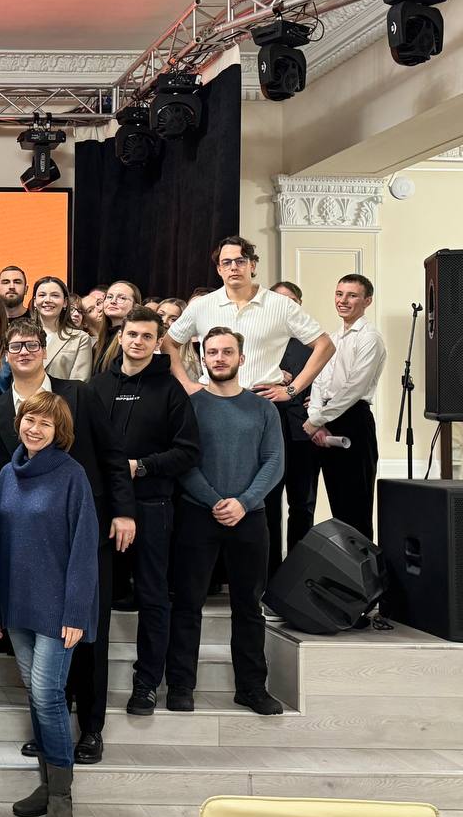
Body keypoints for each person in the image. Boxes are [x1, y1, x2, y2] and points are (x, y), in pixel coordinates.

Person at [0, 319, 135, 763]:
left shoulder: (78, 393)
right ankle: (53, 727)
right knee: (43, 666)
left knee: (86, 636)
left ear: (45, 350)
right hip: (29, 541)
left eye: (32, 345)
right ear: (5, 354)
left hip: (86, 530)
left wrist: (123, 510)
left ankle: (90, 728)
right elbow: (0, 472)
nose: (24, 352)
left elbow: (111, 453)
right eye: (16, 346)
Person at [0, 392, 98, 817]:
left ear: (59, 432)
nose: (35, 429)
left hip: (58, 608)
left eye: (45, 424)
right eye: (29, 420)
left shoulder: (72, 475)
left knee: (49, 694)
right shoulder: (6, 474)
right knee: (36, 693)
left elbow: (85, 548)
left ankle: (62, 796)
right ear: (19, 423)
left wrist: (76, 611)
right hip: (17, 603)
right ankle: (46, 784)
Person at [88, 308, 200, 717]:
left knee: (153, 597)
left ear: (158, 343)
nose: (137, 342)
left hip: (152, 506)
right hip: (103, 509)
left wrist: (142, 466)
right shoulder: (97, 387)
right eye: (132, 334)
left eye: (146, 337)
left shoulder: (171, 390)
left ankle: (147, 683)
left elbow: (188, 452)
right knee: (97, 597)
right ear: (120, 337)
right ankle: (88, 684)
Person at [169, 328, 284, 717]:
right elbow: (184, 462)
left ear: (241, 358)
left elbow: (274, 462)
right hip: (198, 514)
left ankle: (251, 688)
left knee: (248, 606)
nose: (219, 358)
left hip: (250, 518)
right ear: (203, 359)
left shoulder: (263, 409)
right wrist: (215, 500)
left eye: (227, 352)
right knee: (188, 603)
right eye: (213, 352)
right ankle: (180, 685)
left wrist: (243, 502)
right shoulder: (190, 406)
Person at [161, 236, 334, 400]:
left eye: (240, 261)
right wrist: (186, 384)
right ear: (219, 269)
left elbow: (325, 345)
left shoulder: (282, 305)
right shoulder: (201, 305)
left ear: (252, 266)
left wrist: (292, 389)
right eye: (226, 262)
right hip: (211, 398)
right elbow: (168, 343)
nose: (233, 267)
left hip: (262, 399)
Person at [304, 274, 387, 541]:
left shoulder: (370, 338)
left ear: (367, 301)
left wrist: (316, 420)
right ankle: (344, 567)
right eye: (339, 294)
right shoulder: (332, 338)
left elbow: (354, 388)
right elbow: (319, 382)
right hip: (326, 420)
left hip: (354, 420)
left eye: (352, 295)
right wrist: (317, 419)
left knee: (356, 507)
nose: (343, 300)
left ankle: (364, 568)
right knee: (338, 506)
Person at [262, 282, 319, 575]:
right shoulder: (258, 340)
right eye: (279, 300)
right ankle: (269, 573)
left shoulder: (313, 345)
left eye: (292, 300)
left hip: (302, 433)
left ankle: (298, 573)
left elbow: (325, 384)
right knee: (267, 503)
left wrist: (311, 396)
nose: (286, 305)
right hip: (265, 434)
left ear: (299, 306)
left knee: (303, 504)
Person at [31, 276, 93, 381]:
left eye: (55, 295)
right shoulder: (20, 335)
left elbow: (79, 384)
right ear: (34, 302)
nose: (48, 300)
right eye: (42, 295)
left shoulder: (79, 338)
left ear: (65, 302)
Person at [91, 280, 141, 376]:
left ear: (135, 305)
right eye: (109, 297)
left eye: (122, 298)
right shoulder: (102, 339)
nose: (113, 301)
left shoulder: (133, 340)